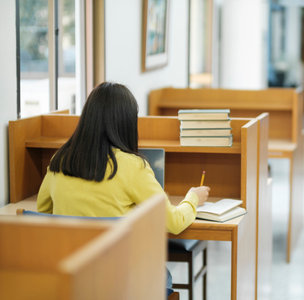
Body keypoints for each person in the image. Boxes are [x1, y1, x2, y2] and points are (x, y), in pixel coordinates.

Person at [36, 82, 210, 295]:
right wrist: (192, 198)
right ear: (126, 123)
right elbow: (173, 223)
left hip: (73, 278)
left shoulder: (59, 160)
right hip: (121, 281)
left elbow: (43, 214)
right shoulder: (132, 166)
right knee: (163, 274)